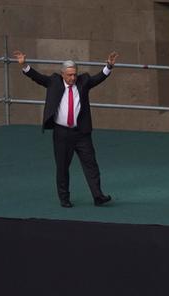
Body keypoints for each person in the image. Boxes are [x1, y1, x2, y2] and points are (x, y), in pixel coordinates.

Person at [13, 49, 117, 208]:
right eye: (69, 75)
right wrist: (24, 64)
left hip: (81, 133)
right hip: (61, 133)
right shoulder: (53, 82)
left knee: (91, 164)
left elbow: (98, 78)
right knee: (62, 167)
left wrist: (109, 66)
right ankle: (64, 198)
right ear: (62, 74)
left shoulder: (83, 82)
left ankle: (98, 196)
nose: (72, 78)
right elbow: (37, 77)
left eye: (74, 74)